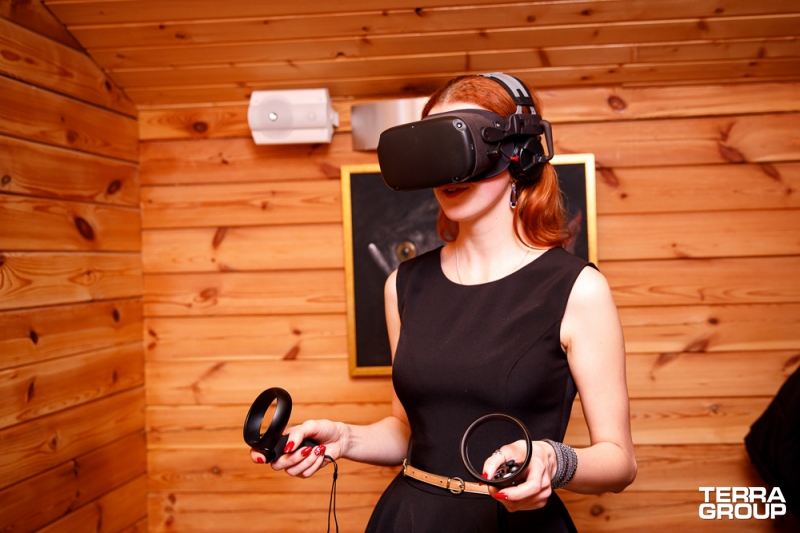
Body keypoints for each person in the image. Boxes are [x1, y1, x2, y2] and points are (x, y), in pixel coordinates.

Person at [250, 74, 637, 532]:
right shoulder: (403, 285)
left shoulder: (578, 289)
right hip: (410, 519)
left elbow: (619, 462)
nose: (447, 172)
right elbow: (407, 431)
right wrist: (345, 438)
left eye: (461, 144)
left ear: (520, 152)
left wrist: (554, 460)